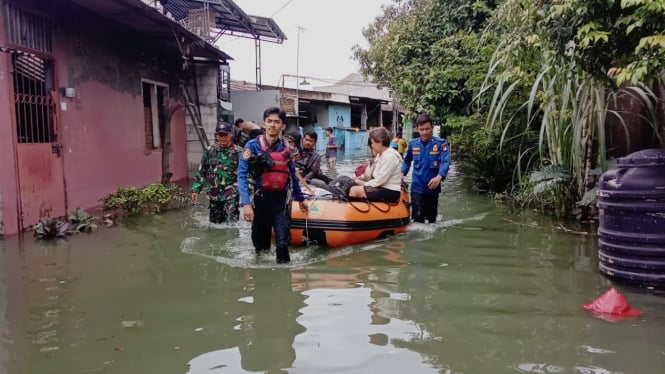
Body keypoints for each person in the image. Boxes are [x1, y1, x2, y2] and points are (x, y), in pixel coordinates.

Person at [237, 107, 308, 263]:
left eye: (277, 122)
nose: (273, 125)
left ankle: (284, 282)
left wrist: (301, 199)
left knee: (282, 244)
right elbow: (241, 175)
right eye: (269, 121)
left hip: (281, 202)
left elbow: (292, 177)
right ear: (264, 123)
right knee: (261, 248)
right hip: (260, 201)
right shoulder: (252, 146)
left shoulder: (287, 150)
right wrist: (246, 204)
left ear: (283, 126)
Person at [401, 113, 450, 223]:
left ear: (432, 127)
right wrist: (402, 173)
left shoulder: (441, 144)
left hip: (432, 189)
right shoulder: (413, 144)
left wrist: (440, 176)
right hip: (417, 187)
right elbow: (407, 161)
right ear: (417, 129)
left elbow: (446, 161)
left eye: (427, 129)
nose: (424, 132)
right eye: (421, 129)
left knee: (432, 220)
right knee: (417, 218)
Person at [191, 121, 243, 224]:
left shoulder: (239, 152)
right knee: (215, 225)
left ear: (231, 133)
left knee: (231, 225)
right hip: (214, 194)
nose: (222, 137)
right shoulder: (210, 150)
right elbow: (202, 171)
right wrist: (196, 189)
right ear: (216, 135)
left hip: (232, 194)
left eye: (225, 134)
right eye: (220, 135)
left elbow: (245, 174)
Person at [349, 127, 402, 203]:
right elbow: (372, 174)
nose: (372, 146)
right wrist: (358, 179)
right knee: (353, 184)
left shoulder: (389, 156)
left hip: (390, 191)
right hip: (382, 187)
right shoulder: (381, 155)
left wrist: (364, 183)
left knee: (354, 190)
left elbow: (381, 180)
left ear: (380, 142)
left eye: (373, 143)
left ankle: (354, 212)